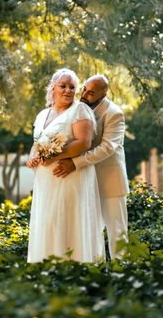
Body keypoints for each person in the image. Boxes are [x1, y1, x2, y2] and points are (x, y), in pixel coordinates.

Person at [26, 68, 105, 263]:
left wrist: (55, 156)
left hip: (70, 179)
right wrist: (33, 158)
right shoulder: (42, 115)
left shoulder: (79, 110)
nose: (68, 91)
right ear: (53, 88)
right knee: (48, 221)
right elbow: (37, 143)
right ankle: (46, 265)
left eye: (72, 87)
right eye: (63, 86)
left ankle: (73, 266)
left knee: (66, 219)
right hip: (45, 182)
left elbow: (83, 142)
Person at [52, 75, 129, 259]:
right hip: (83, 182)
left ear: (104, 94)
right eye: (84, 89)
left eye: (91, 92)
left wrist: (75, 163)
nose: (84, 94)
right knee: (89, 232)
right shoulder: (76, 109)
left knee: (117, 232)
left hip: (109, 182)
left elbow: (107, 148)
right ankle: (96, 271)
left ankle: (123, 274)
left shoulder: (114, 113)